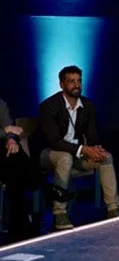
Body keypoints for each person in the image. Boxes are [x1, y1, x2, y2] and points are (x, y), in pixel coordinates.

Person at [30, 65, 119, 230]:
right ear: (62, 85)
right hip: (48, 153)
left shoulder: (87, 105)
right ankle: (59, 213)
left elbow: (92, 135)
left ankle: (113, 209)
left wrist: (96, 149)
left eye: (79, 81)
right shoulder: (49, 106)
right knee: (64, 158)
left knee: (106, 157)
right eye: (71, 81)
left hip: (76, 153)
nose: (76, 85)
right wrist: (83, 150)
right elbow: (55, 142)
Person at [0, 98, 73, 241]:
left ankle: (19, 230)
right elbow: (8, 128)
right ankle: (46, 187)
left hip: (4, 159)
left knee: (14, 168)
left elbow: (10, 127)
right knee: (13, 163)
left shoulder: (1, 103)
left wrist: (11, 139)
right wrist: (5, 131)